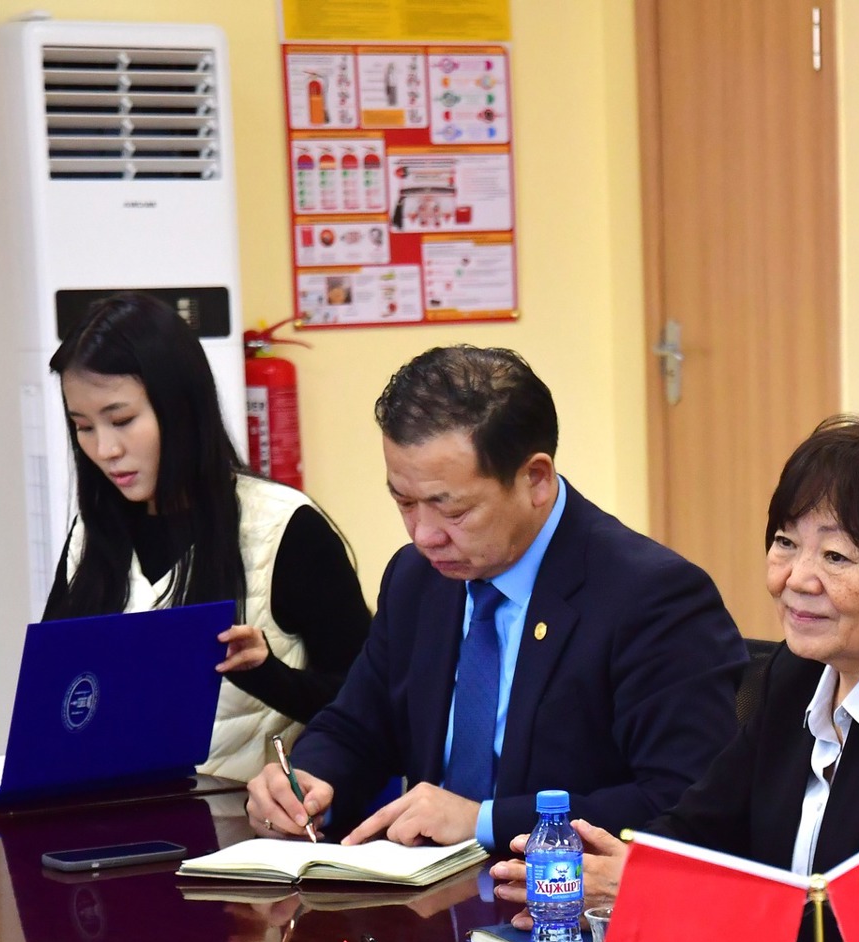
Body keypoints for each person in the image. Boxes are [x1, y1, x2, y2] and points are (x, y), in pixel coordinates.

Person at [490, 416, 859, 942]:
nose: (796, 579)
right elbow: (703, 824)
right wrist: (621, 869)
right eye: (786, 542)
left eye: (836, 556)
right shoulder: (803, 670)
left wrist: (656, 896)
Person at [246, 345, 745, 849]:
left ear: (536, 480)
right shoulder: (417, 579)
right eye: (405, 502)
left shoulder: (652, 597)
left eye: (453, 511)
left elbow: (683, 801)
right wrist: (308, 781)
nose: (424, 535)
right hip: (424, 885)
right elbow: (358, 725)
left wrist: (483, 821)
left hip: (560, 890)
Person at [46, 293, 371, 782]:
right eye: (83, 427)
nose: (105, 449)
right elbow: (53, 701)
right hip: (110, 812)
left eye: (122, 420)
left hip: (244, 820)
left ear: (180, 408)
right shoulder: (91, 535)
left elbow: (368, 710)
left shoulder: (284, 528)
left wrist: (268, 675)